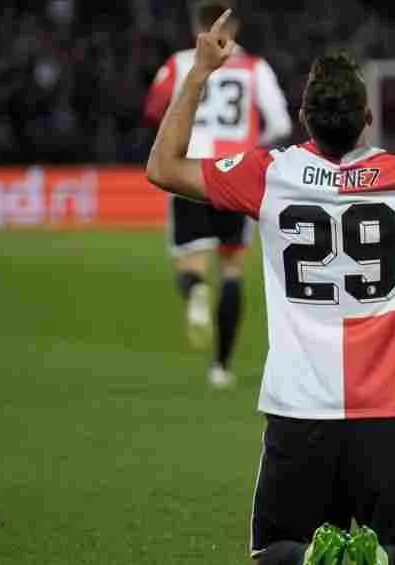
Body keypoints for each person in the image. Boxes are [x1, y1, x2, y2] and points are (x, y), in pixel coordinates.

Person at [146, 6, 395, 565]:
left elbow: (163, 166)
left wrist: (200, 73)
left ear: (305, 115)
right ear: (368, 116)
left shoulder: (269, 175)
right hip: (390, 411)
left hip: (299, 408)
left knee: (279, 550)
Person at [143, 0, 292, 389]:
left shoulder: (178, 64)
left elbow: (153, 108)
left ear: (197, 25)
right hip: (234, 173)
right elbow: (280, 122)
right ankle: (221, 367)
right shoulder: (256, 68)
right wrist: (250, 146)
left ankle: (195, 291)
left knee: (190, 263)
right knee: (232, 270)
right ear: (234, 27)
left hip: (189, 168)